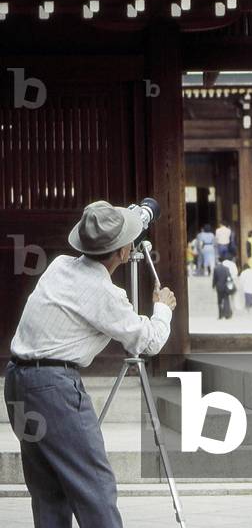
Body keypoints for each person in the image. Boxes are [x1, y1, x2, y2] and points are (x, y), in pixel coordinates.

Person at [4, 200, 176, 528]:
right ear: (126, 252)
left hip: (18, 381)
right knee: (93, 486)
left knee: (48, 490)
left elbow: (105, 234)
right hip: (53, 389)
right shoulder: (104, 294)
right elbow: (149, 341)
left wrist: (123, 223)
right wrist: (163, 309)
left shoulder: (58, 266)